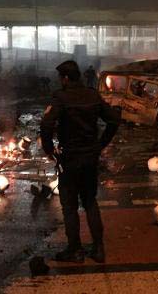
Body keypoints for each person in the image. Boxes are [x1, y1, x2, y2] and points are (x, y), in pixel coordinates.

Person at [41, 60, 120, 263]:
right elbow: (113, 120)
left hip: (70, 159)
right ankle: (99, 249)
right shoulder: (93, 95)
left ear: (65, 78)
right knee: (90, 202)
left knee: (69, 206)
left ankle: (75, 250)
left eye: (61, 78)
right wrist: (101, 144)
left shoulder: (61, 97)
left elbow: (47, 124)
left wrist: (49, 149)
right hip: (90, 157)